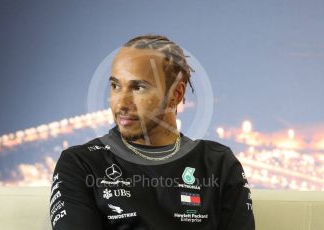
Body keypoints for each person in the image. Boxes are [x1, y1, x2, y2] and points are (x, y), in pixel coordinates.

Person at [49, 34, 255, 229]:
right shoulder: (81, 163)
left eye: (138, 88)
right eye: (115, 86)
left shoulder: (218, 164)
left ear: (176, 93)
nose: (121, 103)